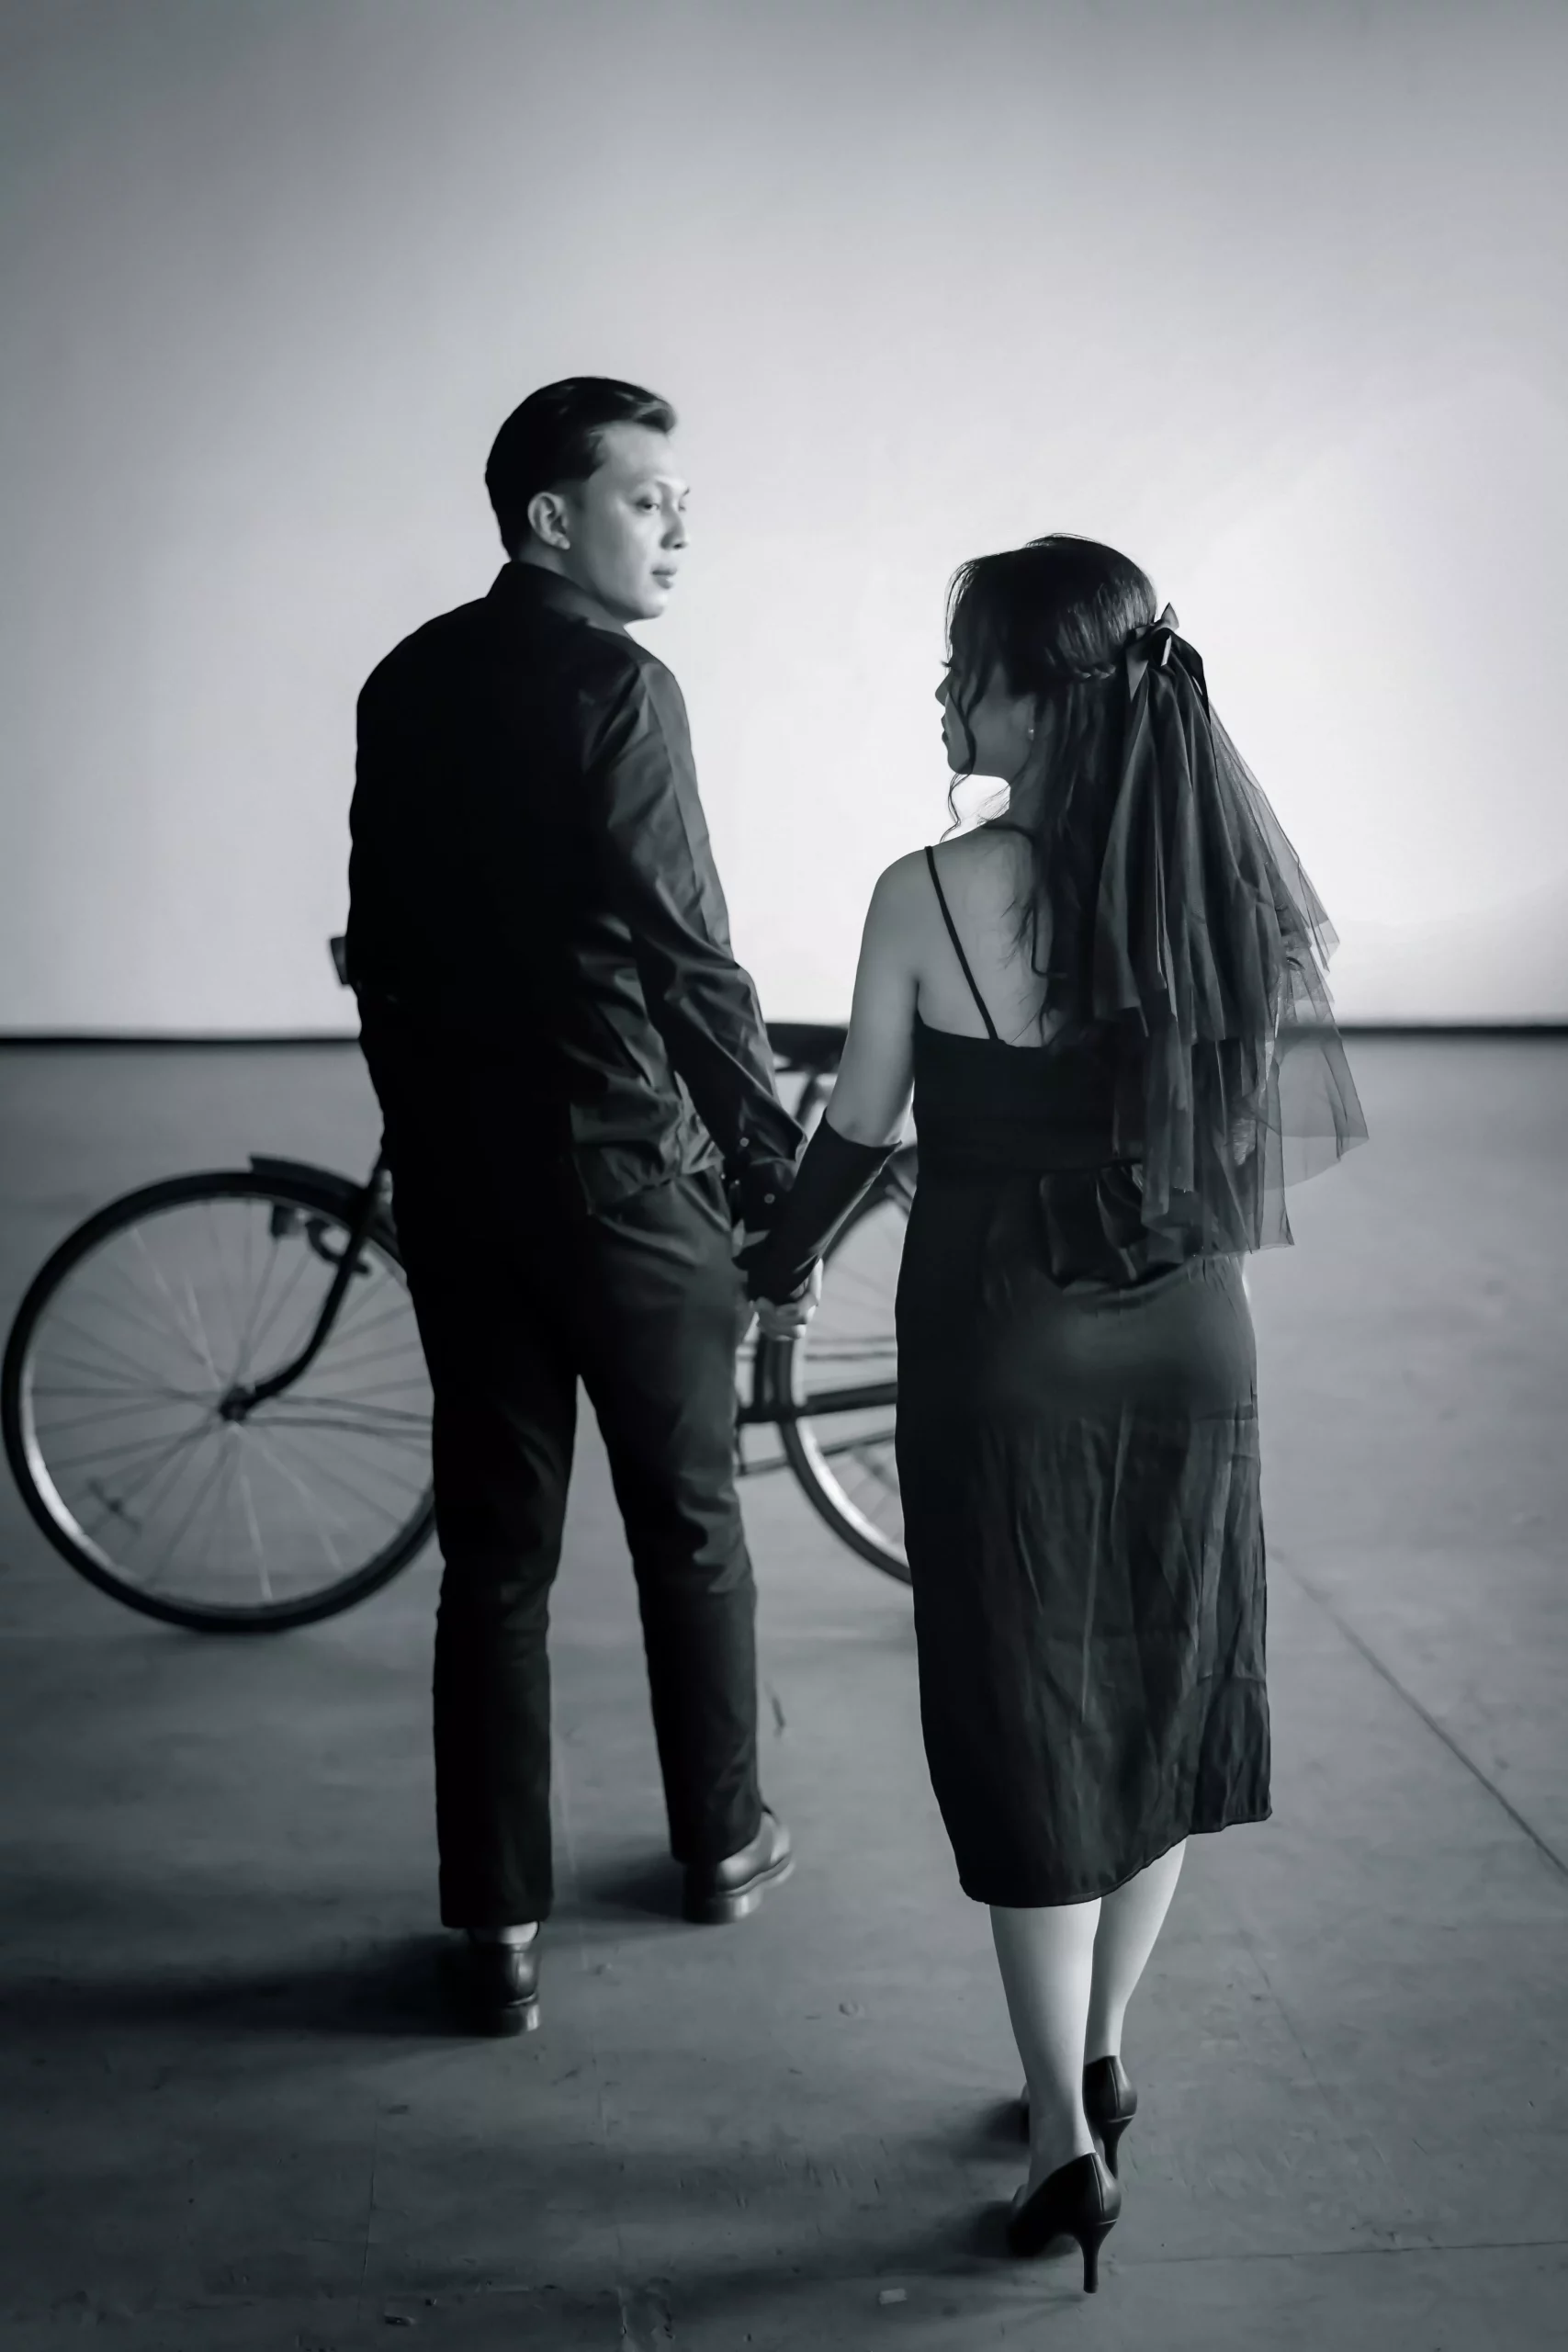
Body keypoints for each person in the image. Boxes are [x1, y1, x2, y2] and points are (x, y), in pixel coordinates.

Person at [742, 536, 1367, 2291]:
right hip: (1186, 1335)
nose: (947, 695)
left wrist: (771, 1266)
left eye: (969, 670)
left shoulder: (924, 893)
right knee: (1155, 1688)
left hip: (998, 1340)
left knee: (1028, 1721)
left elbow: (859, 1123)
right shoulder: (1216, 888)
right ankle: (1099, 2056)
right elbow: (1225, 1127)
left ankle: (1056, 2138)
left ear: (1036, 699)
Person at [344, 378, 807, 2035]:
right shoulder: (621, 688)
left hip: (463, 1192)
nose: (677, 529)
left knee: (493, 1562)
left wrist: (423, 1140)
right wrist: (773, 1171)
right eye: (645, 499)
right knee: (689, 1523)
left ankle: (496, 1931)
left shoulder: (403, 679)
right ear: (553, 519)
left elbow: (377, 950)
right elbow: (688, 957)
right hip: (624, 1183)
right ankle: (720, 1845)